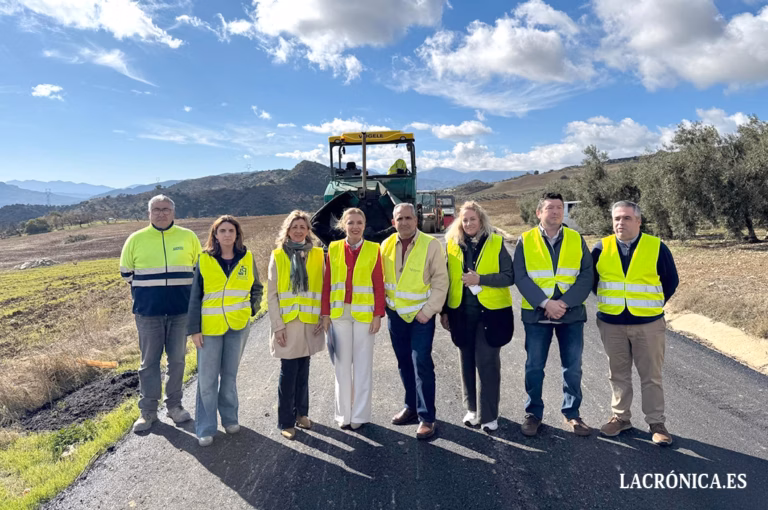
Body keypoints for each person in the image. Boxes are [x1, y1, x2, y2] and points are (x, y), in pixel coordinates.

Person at [592, 201, 679, 445]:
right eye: (617, 218)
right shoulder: (601, 247)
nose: (621, 223)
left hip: (648, 324)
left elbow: (670, 281)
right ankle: (620, 418)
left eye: (627, 218)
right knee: (617, 373)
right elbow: (593, 282)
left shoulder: (656, 246)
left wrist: (650, 306)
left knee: (651, 375)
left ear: (639, 221)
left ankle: (656, 422)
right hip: (611, 323)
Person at [513, 192, 593, 437]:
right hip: (537, 315)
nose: (556, 211)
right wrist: (546, 302)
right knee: (534, 366)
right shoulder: (525, 240)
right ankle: (533, 414)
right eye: (550, 208)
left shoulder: (576, 239)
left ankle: (572, 414)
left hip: (571, 314)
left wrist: (564, 303)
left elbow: (586, 275)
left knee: (572, 367)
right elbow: (521, 276)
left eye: (559, 207)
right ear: (539, 213)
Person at [119, 195, 201, 432]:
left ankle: (174, 406)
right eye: (156, 209)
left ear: (173, 212)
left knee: (177, 361)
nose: (161, 213)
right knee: (148, 364)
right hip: (148, 313)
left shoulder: (188, 237)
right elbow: (126, 274)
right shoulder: (136, 239)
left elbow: (198, 270)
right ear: (149, 213)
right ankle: (148, 412)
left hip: (180, 312)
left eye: (166, 209)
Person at [187, 216, 263, 447]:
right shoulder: (204, 260)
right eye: (222, 230)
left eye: (231, 230)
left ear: (237, 234)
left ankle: (230, 419)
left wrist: (252, 308)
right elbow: (194, 297)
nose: (227, 234)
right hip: (209, 329)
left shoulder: (247, 258)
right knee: (207, 380)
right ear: (215, 235)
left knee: (229, 378)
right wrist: (194, 329)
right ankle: (206, 427)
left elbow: (256, 287)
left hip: (238, 327)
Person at [441, 201, 514, 433]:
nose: (469, 223)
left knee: (487, 363)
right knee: (466, 362)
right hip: (461, 313)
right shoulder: (452, 244)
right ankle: (472, 410)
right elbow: (446, 279)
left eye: (473, 219)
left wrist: (480, 279)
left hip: (491, 314)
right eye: (464, 220)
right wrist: (444, 310)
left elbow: (508, 276)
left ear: (481, 220)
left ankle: (489, 415)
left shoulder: (496, 242)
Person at [381, 202, 448, 439]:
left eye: (408, 218)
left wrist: (429, 311)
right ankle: (410, 407)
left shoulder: (430, 245)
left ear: (416, 220)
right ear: (393, 222)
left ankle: (427, 417)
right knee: (403, 363)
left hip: (421, 317)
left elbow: (441, 281)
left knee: (421, 363)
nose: (404, 222)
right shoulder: (386, 245)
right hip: (396, 315)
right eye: (400, 219)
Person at [321, 208, 386, 429]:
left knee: (362, 366)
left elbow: (379, 284)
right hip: (339, 314)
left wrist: (378, 314)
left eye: (359, 222)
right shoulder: (333, 248)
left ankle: (359, 416)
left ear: (364, 225)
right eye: (351, 223)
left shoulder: (374, 249)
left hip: (364, 315)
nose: (355, 227)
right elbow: (327, 282)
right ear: (343, 225)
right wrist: (325, 314)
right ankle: (343, 415)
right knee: (341, 366)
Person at [267, 210, 325, 440]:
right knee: (288, 372)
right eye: (294, 227)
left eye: (303, 226)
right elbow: (272, 295)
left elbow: (323, 288)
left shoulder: (319, 255)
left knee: (304, 369)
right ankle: (286, 420)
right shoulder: (278, 255)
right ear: (287, 230)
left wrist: (322, 316)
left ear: (308, 231)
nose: (299, 230)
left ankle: (302, 414)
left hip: (310, 322)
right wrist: (277, 326)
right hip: (288, 324)